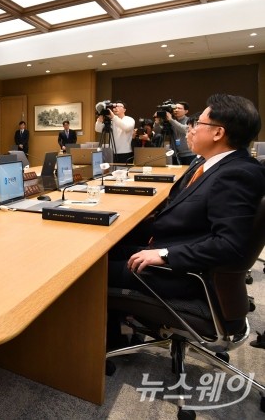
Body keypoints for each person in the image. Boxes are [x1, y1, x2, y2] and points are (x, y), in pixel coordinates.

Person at [107, 94, 265, 348]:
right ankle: (120, 331)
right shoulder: (211, 164)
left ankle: (110, 341)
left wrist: (166, 254)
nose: (191, 129)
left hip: (184, 273)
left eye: (198, 124)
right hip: (177, 248)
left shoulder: (237, 174)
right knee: (106, 249)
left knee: (91, 272)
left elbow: (230, 245)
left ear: (217, 133)